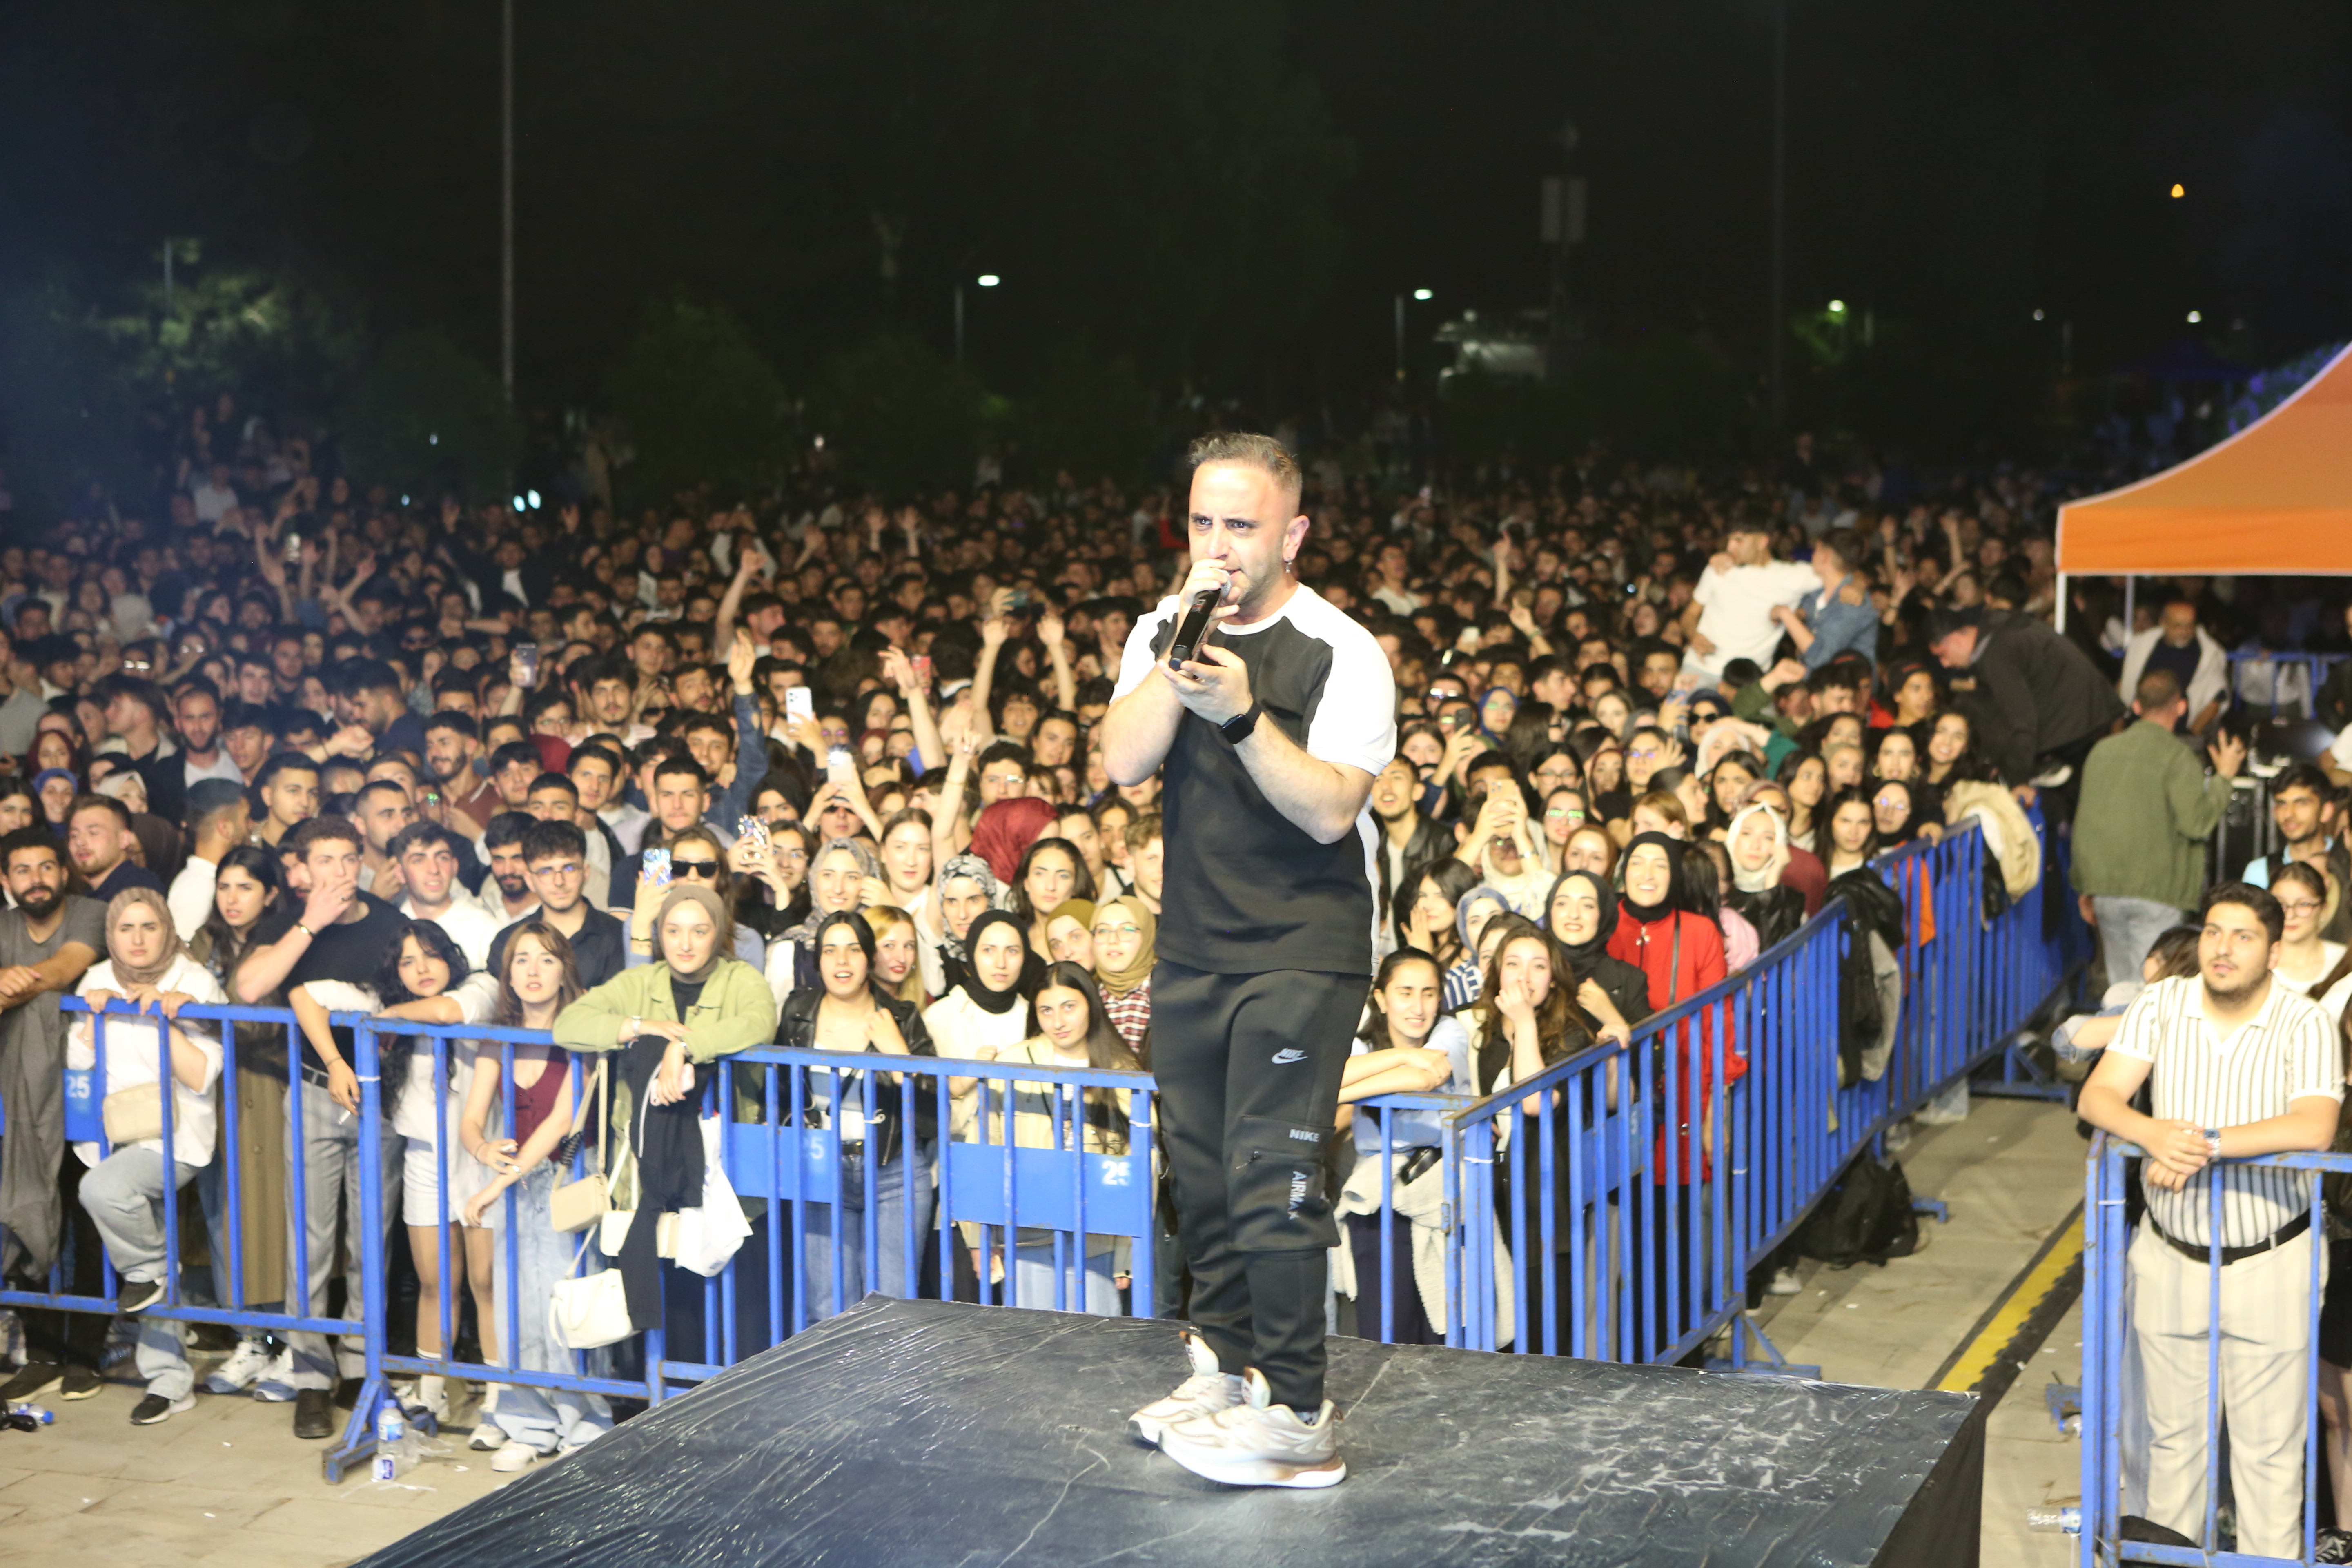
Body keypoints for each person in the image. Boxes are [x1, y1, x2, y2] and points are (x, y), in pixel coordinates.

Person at [1102, 432, 1392, 1488]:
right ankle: (1224, 1372)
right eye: (1202, 524)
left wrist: (1240, 716)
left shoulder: (1342, 649)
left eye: (1241, 526)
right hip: (1193, 944)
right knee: (1205, 1176)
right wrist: (1181, 648)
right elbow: (1123, 759)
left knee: (1273, 1173)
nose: (1217, 546)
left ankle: (1300, 1412)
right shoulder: (1164, 629)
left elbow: (1330, 811)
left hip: (1303, 948)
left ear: (1293, 533)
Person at [2077, 883, 2340, 1559]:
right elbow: (2099, 1096)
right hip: (2170, 1255)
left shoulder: (2304, 1020)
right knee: (2173, 1450)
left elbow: (2315, 1126)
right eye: (2214, 933)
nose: (2224, 949)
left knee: (2269, 1457)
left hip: (2271, 1261)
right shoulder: (2162, 1003)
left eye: (2244, 936)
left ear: (2273, 951)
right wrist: (2152, 1134)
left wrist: (2202, 1145)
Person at [231, 815, 406, 1437]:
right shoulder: (287, 923)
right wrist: (310, 924)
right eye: (325, 860)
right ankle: (310, 1375)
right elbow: (249, 987)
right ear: (303, 869)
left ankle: (361, 1365)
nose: (339, 871)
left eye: (348, 858)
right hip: (310, 1090)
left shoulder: (391, 923)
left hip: (379, 1097)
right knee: (310, 1240)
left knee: (370, 1240)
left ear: (362, 860)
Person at [550, 884, 776, 1340]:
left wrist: (685, 1046)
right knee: (669, 1319)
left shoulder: (741, 980)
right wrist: (642, 1026)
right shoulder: (641, 982)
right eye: (673, 931)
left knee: (732, 1312)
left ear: (718, 933)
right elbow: (568, 1025)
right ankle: (661, 1385)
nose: (685, 943)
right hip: (646, 1169)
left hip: (720, 1169)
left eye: (699, 931)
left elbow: (759, 1022)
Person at [67, 888, 226, 1424]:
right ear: (110, 935)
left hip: (176, 1137)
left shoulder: (194, 981)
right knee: (149, 1250)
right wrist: (95, 1017)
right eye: (125, 928)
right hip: (115, 1135)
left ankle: (152, 1270)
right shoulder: (96, 979)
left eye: (149, 927)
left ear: (167, 930)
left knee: (107, 1197)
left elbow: (202, 1076)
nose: (137, 939)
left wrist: (166, 1017)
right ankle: (169, 1380)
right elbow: (77, 1062)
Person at [457, 921, 610, 1472]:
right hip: (518, 1180)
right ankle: (529, 1423)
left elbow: (563, 1119)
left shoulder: (580, 1033)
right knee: (517, 1305)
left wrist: (499, 1182)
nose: (533, 971)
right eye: (522, 959)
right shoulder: (498, 1036)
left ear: (565, 970)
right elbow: (471, 1119)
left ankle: (584, 1421)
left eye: (546, 959)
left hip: (568, 1177)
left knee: (567, 1304)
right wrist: (483, 1151)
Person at [950, 961, 1141, 1314]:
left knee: (1095, 1341)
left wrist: (1128, 1252)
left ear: (1091, 1005)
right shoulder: (1012, 1063)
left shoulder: (1122, 1070)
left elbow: (1140, 1167)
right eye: (1046, 1010)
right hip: (1027, 1233)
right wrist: (978, 1237)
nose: (1058, 1021)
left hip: (1097, 1237)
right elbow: (983, 1149)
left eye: (1069, 1007)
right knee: (1032, 1340)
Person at [774, 909, 937, 1316]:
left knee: (893, 1308)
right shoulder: (797, 1012)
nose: (842, 961)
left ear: (870, 958)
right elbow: (778, 1093)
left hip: (893, 1172)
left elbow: (933, 1113)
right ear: (818, 961)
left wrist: (899, 1055)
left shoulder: (902, 1017)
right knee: (828, 1308)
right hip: (819, 1168)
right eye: (830, 951)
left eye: (853, 950)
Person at [0, 825, 108, 1404]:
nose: (36, 880)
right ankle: (41, 1353)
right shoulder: (3, 926)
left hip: (89, 1099)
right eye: (22, 870)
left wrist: (13, 983)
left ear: (64, 872)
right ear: (6, 880)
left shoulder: (91, 913)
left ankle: (88, 1354)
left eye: (46, 867)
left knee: (89, 1221)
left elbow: (63, 969)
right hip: (19, 1099)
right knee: (26, 1212)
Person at [2072, 670, 2245, 994]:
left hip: (2105, 890)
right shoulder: (2178, 756)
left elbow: (2086, 823)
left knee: (2120, 990)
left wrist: (2085, 887)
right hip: (2158, 891)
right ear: (2181, 707)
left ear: (2137, 706)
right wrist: (2224, 779)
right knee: (2154, 992)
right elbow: (2197, 822)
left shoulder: (2101, 753)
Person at [1924, 603, 2129, 808]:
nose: (1945, 664)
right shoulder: (2005, 627)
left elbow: (2022, 720)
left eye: (1942, 654)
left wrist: (2018, 779)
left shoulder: (1997, 654)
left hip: (2081, 735)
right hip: (2099, 715)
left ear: (1956, 640)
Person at [2116, 597, 2230, 737]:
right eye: (2178, 626)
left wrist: (2192, 737)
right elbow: (2122, 687)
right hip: (2136, 729)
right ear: (2163, 623)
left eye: (2190, 626)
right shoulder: (2141, 645)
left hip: (2180, 735)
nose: (2185, 631)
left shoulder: (2209, 654)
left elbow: (2215, 701)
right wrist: (2118, 732)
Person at [165, 777, 252, 942]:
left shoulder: (206, 882)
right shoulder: (198, 888)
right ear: (225, 828)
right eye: (246, 819)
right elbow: (184, 954)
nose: (251, 826)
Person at [66, 793, 163, 900]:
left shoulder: (139, 887)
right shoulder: (81, 897)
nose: (80, 842)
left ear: (124, 840)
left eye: (93, 833)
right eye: (74, 836)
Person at [1091, 896, 1156, 1055]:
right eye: (1103, 931)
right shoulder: (1087, 997)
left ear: (1147, 935)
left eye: (1127, 930)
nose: (1113, 940)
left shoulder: (1169, 995)